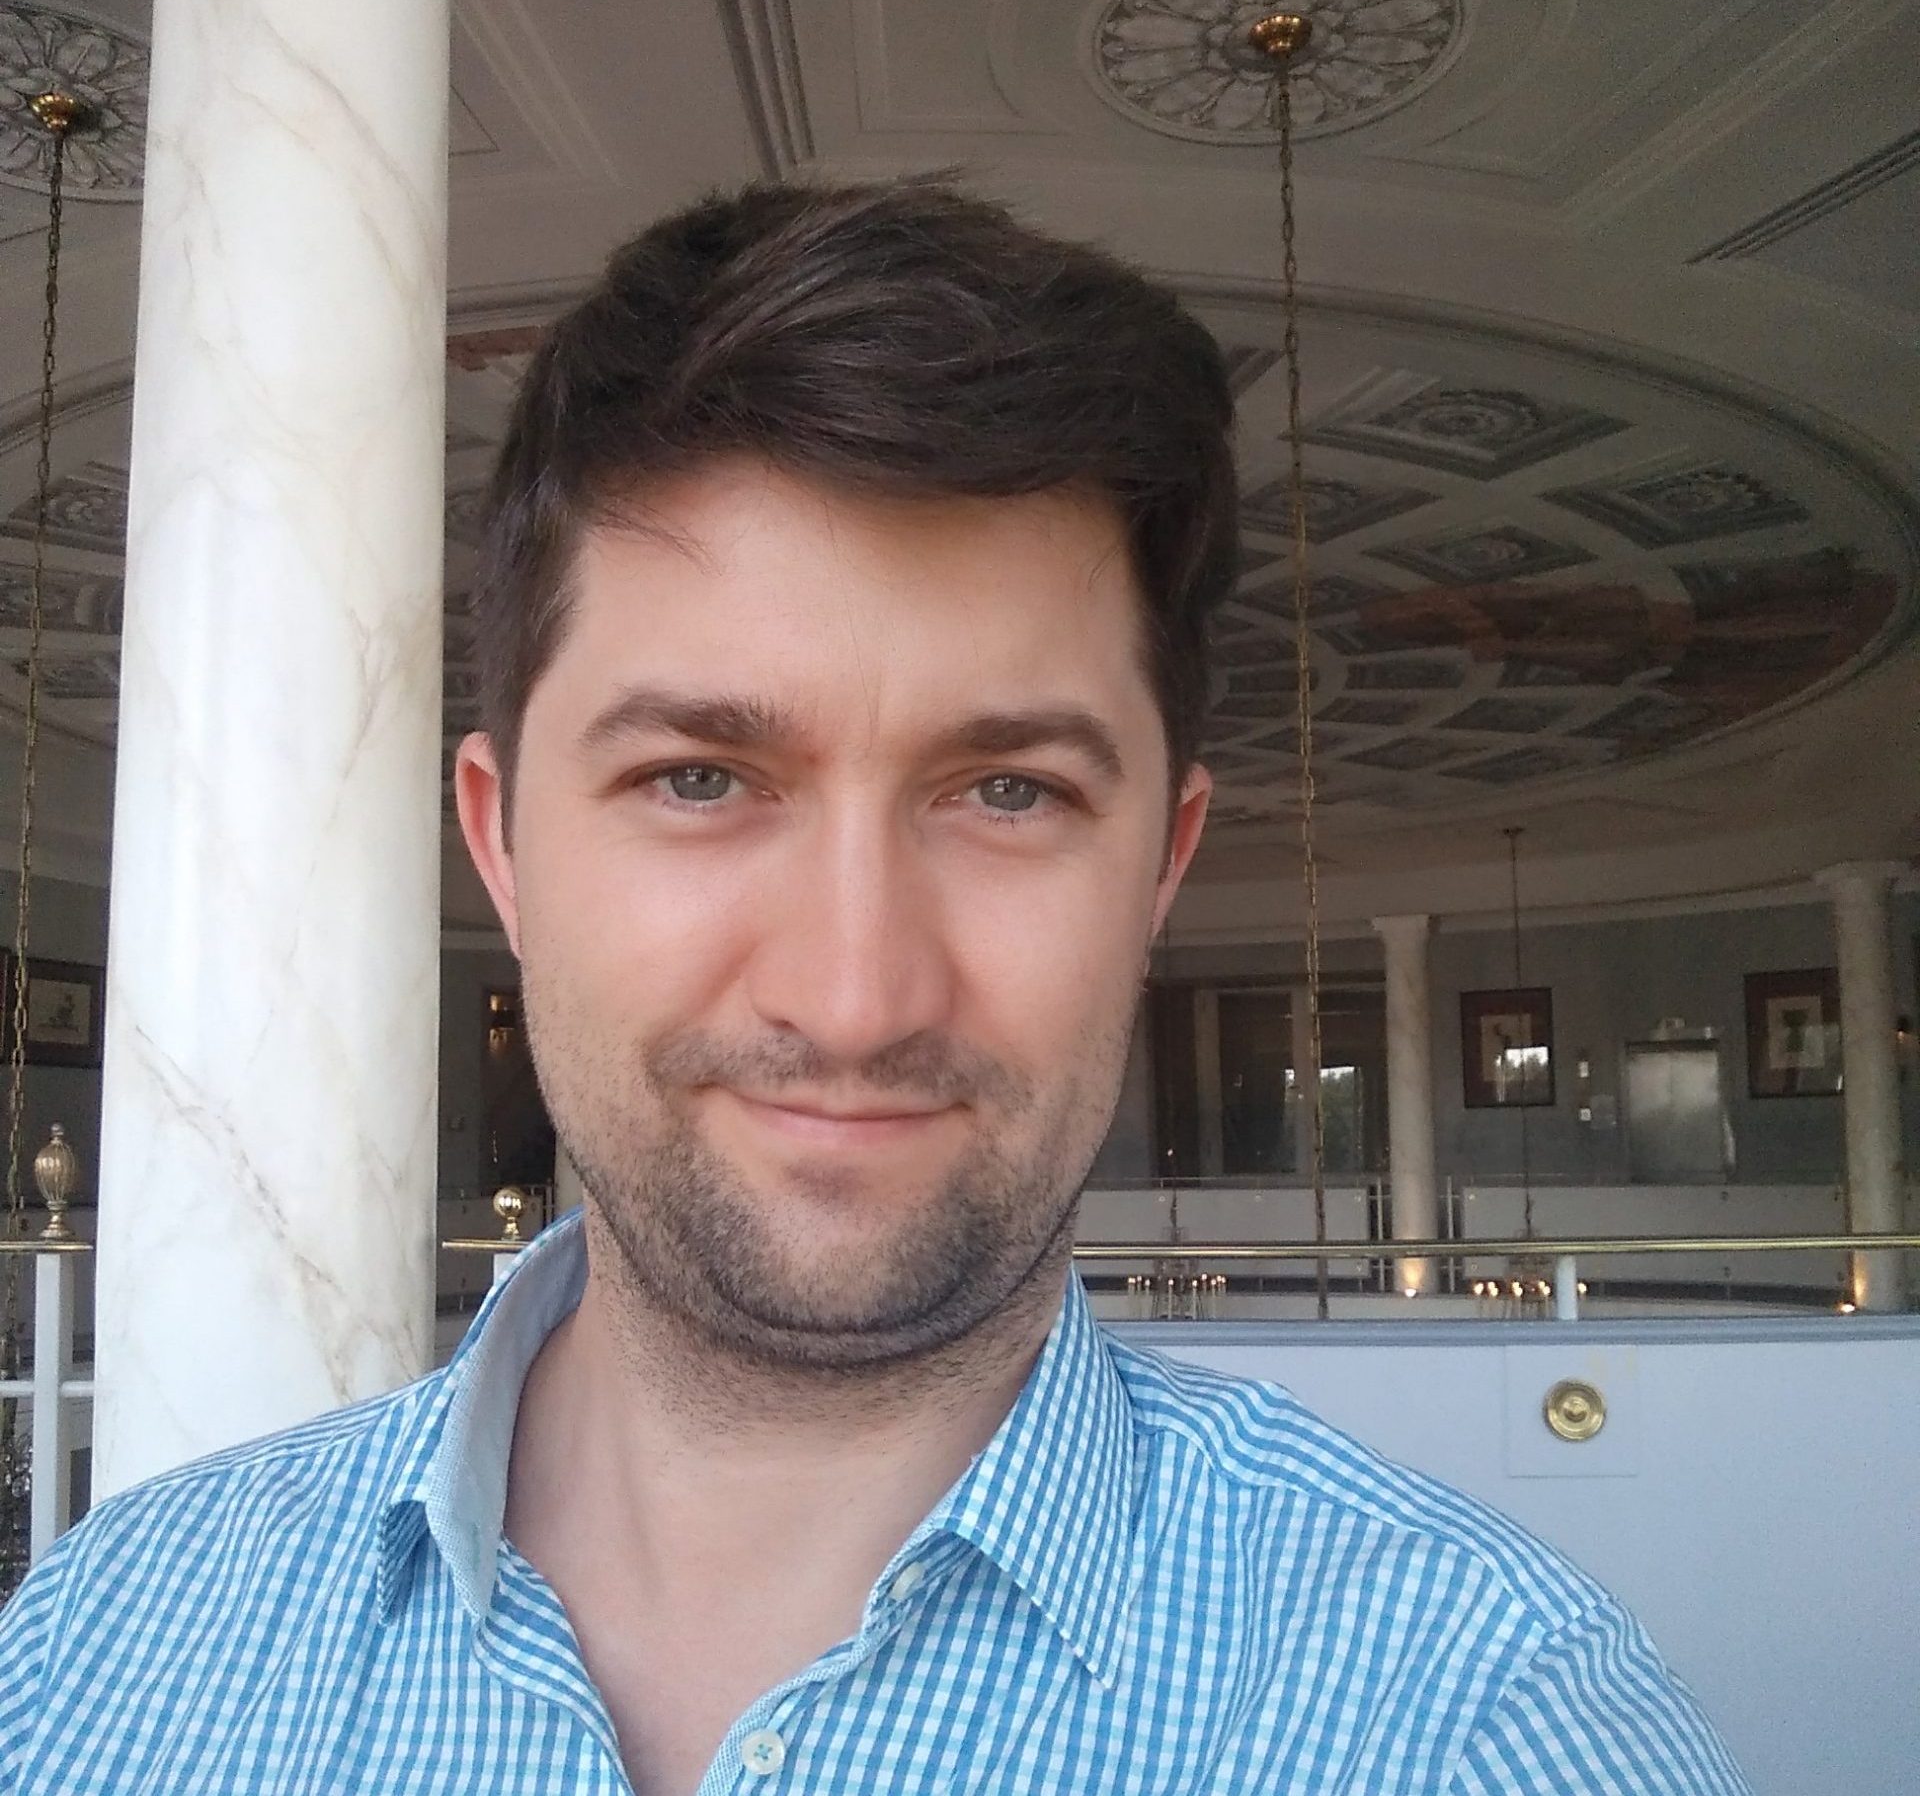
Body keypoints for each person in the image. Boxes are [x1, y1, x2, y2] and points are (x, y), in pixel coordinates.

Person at [0, 179, 1750, 1794]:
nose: (854, 997)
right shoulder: (105, 1658)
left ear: (1161, 867)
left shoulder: (1483, 1721)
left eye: (1011, 794)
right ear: (503, 844)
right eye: (700, 777)